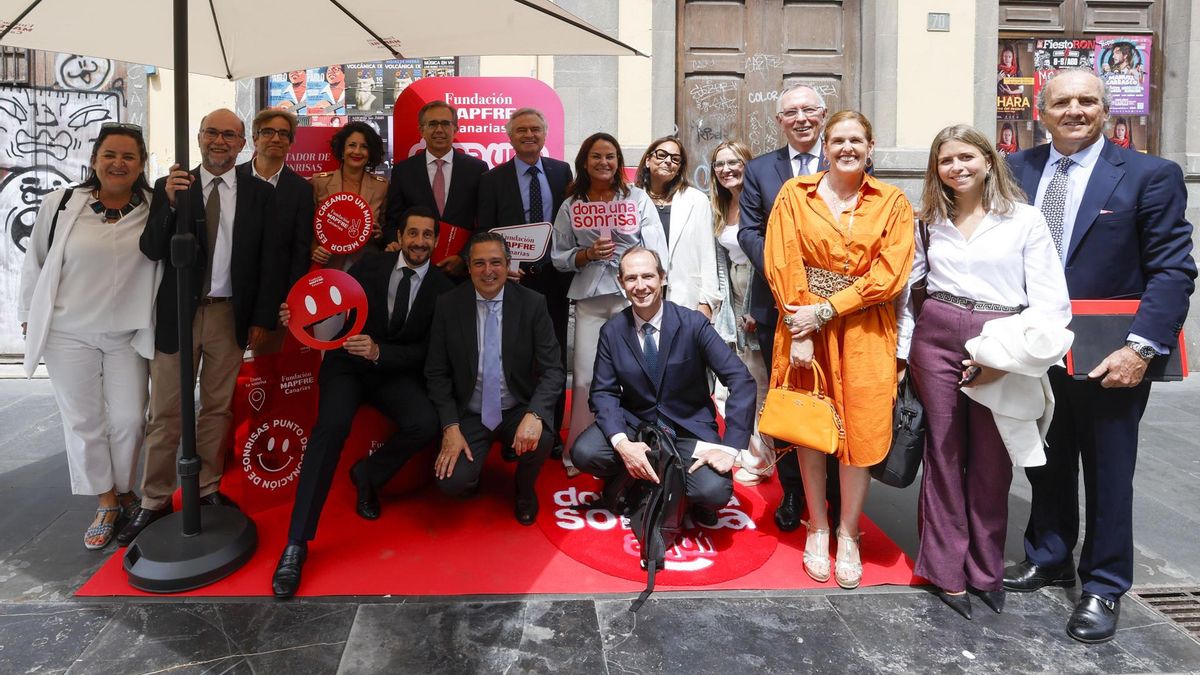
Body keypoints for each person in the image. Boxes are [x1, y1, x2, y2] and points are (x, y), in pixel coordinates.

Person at [1003, 69, 1196, 643]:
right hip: (1036, 349)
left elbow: (1173, 269)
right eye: (1062, 101)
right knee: (1046, 458)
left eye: (1088, 100)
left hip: (1112, 353)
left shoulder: (1149, 175)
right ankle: (1050, 553)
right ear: (1041, 111)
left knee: (1109, 473)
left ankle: (1105, 583)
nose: (1075, 110)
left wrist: (1141, 347)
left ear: (1106, 110)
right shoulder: (1015, 171)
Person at [896, 124, 1071, 619]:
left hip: (1001, 336)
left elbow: (1051, 307)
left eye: (966, 157)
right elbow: (911, 294)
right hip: (937, 334)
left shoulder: (1025, 220)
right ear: (936, 170)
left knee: (992, 463)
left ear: (989, 160)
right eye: (946, 160)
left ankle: (984, 570)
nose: (957, 167)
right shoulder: (927, 221)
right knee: (944, 456)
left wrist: (1005, 362)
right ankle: (945, 570)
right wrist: (905, 353)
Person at [271, 206, 454, 598]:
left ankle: (367, 475)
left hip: (393, 370)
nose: (420, 242)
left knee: (424, 422)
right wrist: (298, 316)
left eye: (427, 235)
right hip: (347, 367)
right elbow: (331, 311)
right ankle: (296, 544)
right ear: (400, 236)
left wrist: (380, 353)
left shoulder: (443, 289)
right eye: (413, 233)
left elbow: (428, 352)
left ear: (436, 241)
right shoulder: (370, 267)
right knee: (331, 428)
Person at [117, 109, 282, 545]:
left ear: (243, 143)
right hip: (177, 313)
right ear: (199, 137)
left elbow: (268, 262)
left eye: (230, 134)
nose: (220, 141)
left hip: (229, 314)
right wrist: (168, 206)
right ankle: (153, 499)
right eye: (213, 132)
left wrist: (262, 319)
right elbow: (152, 249)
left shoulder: (259, 194)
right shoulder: (174, 187)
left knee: (217, 407)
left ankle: (207, 488)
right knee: (166, 410)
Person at [765, 110, 914, 590]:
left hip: (865, 329)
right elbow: (782, 261)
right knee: (810, 427)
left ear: (870, 148)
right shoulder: (795, 194)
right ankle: (817, 525)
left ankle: (849, 532)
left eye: (856, 140)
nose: (846, 148)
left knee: (861, 430)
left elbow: (889, 274)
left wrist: (827, 310)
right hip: (802, 327)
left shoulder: (893, 202)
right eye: (837, 141)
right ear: (824, 147)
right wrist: (803, 329)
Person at [18, 123, 160, 549]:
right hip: (68, 331)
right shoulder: (61, 204)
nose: (118, 163)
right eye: (110, 155)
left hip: (127, 332)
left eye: (128, 157)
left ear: (141, 164)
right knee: (84, 421)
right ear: (95, 159)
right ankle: (107, 499)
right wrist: (29, 314)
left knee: (131, 419)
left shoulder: (155, 208)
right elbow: (35, 261)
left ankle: (122, 486)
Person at [573, 247, 756, 524]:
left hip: (687, 430)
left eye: (648, 276)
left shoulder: (693, 323)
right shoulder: (612, 331)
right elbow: (603, 392)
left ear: (662, 278)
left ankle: (670, 488)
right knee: (585, 452)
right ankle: (640, 475)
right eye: (631, 278)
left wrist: (731, 448)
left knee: (714, 492)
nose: (640, 286)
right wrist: (623, 444)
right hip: (637, 426)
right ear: (622, 283)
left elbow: (740, 379)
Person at [738, 84, 840, 531]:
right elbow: (748, 233)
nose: (800, 118)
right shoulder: (760, 170)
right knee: (783, 401)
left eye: (809, 110)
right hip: (777, 305)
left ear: (823, 115)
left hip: (835, 306)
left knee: (834, 397)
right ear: (778, 120)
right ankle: (793, 490)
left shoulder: (845, 158)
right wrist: (790, 278)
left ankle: (834, 489)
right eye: (790, 112)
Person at [424, 232, 566, 524]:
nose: (488, 271)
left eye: (495, 262)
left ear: (508, 264)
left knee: (542, 438)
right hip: (471, 413)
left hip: (515, 407)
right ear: (468, 266)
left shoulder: (532, 303)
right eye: (479, 263)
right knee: (451, 483)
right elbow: (436, 373)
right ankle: (472, 478)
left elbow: (553, 369)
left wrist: (535, 414)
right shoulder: (448, 305)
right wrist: (450, 427)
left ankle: (524, 490)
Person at [550, 132, 669, 467]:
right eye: (596, 157)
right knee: (586, 377)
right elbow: (558, 257)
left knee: (638, 373)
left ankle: (643, 445)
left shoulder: (637, 198)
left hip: (632, 300)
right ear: (584, 162)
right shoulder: (571, 205)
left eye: (610, 156)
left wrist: (648, 281)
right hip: (590, 300)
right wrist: (585, 254)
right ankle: (581, 452)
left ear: (618, 162)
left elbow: (657, 249)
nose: (604, 163)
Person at [477, 107, 573, 454]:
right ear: (510, 137)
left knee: (554, 355)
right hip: (513, 281)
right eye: (521, 131)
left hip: (555, 281)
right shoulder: (493, 179)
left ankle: (551, 434)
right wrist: (503, 265)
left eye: (535, 129)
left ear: (544, 135)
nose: (529, 135)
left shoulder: (562, 172)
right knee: (514, 357)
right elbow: (484, 229)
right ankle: (512, 431)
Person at [708, 140, 772, 485]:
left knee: (756, 382)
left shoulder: (759, 204)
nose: (727, 169)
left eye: (734, 162)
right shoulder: (721, 205)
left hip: (756, 291)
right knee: (729, 383)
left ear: (748, 164)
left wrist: (754, 310)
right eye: (719, 164)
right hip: (733, 293)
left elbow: (763, 259)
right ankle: (747, 449)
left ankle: (761, 459)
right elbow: (724, 263)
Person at [384, 101, 488, 275]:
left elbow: (485, 223)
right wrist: (395, 242)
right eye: (432, 124)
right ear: (421, 130)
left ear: (456, 129)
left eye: (446, 123)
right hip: (414, 267)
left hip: (461, 272)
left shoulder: (477, 169)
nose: (439, 130)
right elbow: (392, 222)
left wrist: (464, 257)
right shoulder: (403, 171)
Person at [633, 136, 721, 317]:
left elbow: (707, 254)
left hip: (685, 296)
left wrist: (707, 303)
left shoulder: (696, 200)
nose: (668, 161)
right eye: (661, 155)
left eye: (675, 159)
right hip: (639, 295)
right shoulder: (630, 199)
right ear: (648, 160)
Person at [238, 109, 314, 287]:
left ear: (290, 142)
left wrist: (292, 294)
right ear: (255, 139)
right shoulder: (233, 179)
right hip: (233, 287)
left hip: (276, 290)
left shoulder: (302, 189)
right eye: (268, 132)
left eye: (283, 134)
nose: (276, 139)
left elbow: (300, 250)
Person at [310, 120, 388, 272]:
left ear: (370, 153)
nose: (357, 152)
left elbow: (387, 227)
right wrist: (314, 249)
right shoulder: (319, 182)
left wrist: (380, 235)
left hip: (367, 268)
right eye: (352, 145)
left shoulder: (382, 187)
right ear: (342, 150)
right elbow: (307, 227)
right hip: (329, 266)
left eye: (364, 147)